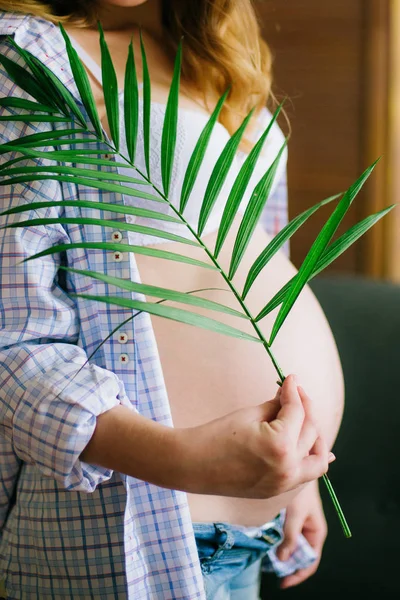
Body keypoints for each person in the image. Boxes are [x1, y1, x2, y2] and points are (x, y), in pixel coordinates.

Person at [0, 1, 344, 598]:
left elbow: (266, 263)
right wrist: (179, 458)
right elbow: (12, 341)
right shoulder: (26, 56)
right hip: (124, 538)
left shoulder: (224, 64)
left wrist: (300, 471)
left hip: (253, 538)